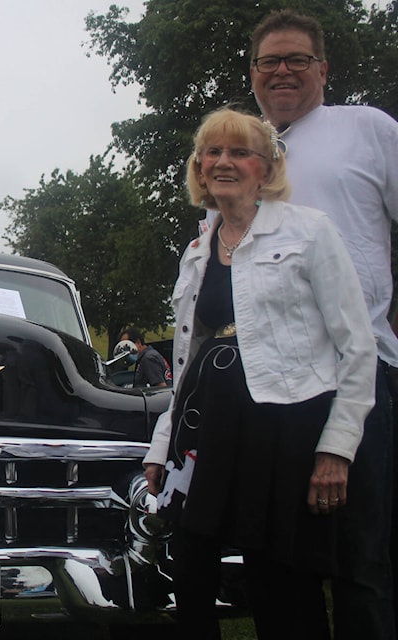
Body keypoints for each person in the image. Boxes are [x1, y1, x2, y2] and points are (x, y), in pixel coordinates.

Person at [144, 107, 377, 639]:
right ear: (199, 167)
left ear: (267, 168)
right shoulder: (197, 251)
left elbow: (357, 348)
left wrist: (336, 447)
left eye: (240, 152)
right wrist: (162, 443)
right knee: (192, 568)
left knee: (283, 586)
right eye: (213, 152)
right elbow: (186, 360)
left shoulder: (310, 231)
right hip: (206, 431)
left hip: (286, 431)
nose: (223, 161)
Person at [249, 10, 398, 639]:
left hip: (359, 371)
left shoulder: (367, 129)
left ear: (323, 69)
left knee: (363, 559)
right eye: (269, 62)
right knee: (280, 563)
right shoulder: (240, 149)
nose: (283, 71)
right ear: (253, 74)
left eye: (297, 60)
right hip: (272, 386)